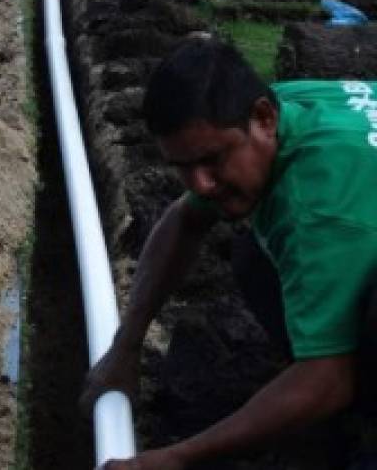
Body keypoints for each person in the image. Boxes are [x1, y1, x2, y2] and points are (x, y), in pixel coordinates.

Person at [86, 37, 377, 470]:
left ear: (263, 118)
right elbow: (185, 219)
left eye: (211, 160)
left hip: (343, 218)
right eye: (182, 167)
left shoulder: (317, 211)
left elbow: (327, 380)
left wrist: (179, 457)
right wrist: (124, 347)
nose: (200, 183)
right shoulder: (290, 111)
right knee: (254, 257)